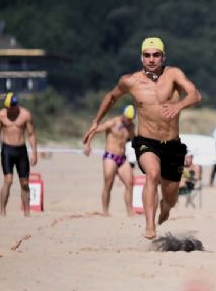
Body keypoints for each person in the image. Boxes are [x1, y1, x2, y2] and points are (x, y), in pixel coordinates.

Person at [83, 37, 201, 239]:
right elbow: (111, 97)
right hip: (147, 141)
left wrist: (178, 106)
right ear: (141, 58)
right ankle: (150, 226)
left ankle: (165, 207)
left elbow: (195, 95)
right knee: (152, 174)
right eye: (147, 55)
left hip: (172, 144)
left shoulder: (174, 74)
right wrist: (96, 121)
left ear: (163, 57)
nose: (152, 59)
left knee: (171, 196)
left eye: (156, 55)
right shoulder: (130, 81)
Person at [83, 105, 137, 216]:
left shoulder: (131, 126)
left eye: (131, 119)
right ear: (123, 115)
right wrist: (87, 144)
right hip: (110, 157)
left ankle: (130, 212)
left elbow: (134, 140)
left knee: (130, 183)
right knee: (108, 184)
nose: (129, 121)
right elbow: (94, 130)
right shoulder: (112, 123)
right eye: (127, 118)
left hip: (123, 158)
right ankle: (105, 211)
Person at [0, 92, 38, 216]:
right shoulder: (1, 115)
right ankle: (2, 211)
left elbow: (31, 134)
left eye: (11, 107)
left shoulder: (25, 115)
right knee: (8, 180)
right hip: (7, 149)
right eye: (7, 108)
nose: (9, 110)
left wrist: (34, 153)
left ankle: (27, 212)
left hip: (21, 150)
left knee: (24, 182)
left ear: (15, 105)